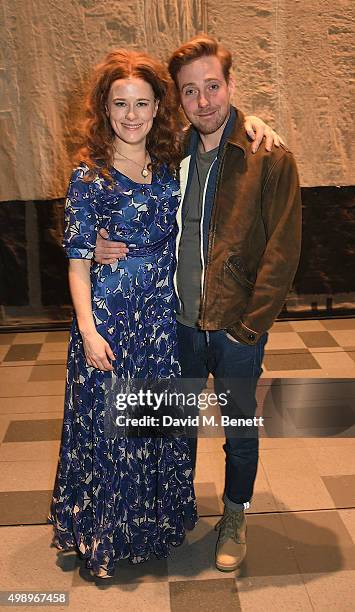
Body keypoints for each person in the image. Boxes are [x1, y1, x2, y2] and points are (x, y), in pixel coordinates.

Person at [95, 35, 302, 573]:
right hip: (178, 326)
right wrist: (92, 241)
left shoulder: (268, 157)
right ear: (178, 100)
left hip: (235, 329)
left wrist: (249, 330)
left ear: (231, 86)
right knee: (177, 426)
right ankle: (177, 508)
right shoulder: (171, 154)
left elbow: (282, 253)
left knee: (239, 432)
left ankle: (235, 517)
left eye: (214, 86)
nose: (205, 101)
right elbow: (115, 190)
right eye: (191, 91)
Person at [47, 49, 199, 579]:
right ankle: (108, 531)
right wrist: (87, 331)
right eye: (120, 104)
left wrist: (260, 122)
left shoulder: (173, 165)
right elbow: (77, 265)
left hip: (161, 321)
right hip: (110, 322)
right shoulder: (89, 177)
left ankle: (153, 523)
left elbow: (222, 129)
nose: (131, 115)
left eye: (141, 102)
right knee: (113, 432)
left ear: (159, 106)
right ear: (104, 109)